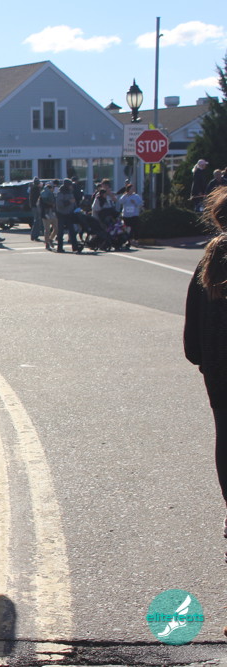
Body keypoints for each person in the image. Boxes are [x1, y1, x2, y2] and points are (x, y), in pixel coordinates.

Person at [183, 186, 227, 561]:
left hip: (218, 367)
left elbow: (193, 322)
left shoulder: (211, 257)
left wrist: (201, 359)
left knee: (225, 436)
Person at [54, 180, 79, 253]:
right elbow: (59, 205)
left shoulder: (70, 192)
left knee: (72, 232)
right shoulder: (60, 193)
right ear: (67, 185)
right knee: (60, 232)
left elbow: (74, 203)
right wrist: (69, 202)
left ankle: (75, 248)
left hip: (69, 214)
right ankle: (59, 248)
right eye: (70, 185)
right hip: (61, 215)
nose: (71, 186)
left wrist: (76, 209)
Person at [40, 181, 58, 250]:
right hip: (47, 213)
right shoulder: (44, 194)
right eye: (53, 188)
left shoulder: (50, 194)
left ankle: (49, 240)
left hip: (51, 213)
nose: (54, 189)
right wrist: (51, 205)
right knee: (48, 229)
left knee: (54, 229)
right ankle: (47, 243)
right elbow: (43, 205)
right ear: (50, 188)